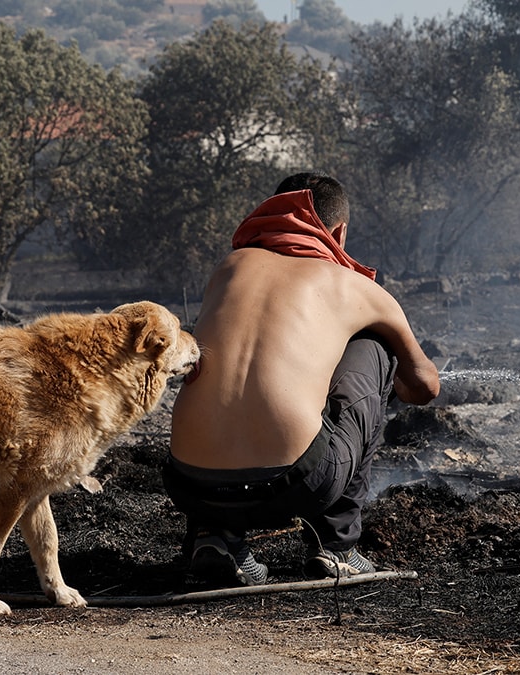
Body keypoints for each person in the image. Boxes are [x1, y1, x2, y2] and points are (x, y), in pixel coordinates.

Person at [163, 172, 440, 586]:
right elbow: (424, 386)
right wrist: (389, 385)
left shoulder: (228, 269)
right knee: (375, 348)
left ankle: (214, 536)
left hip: (189, 484)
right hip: (294, 485)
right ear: (339, 231)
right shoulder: (353, 286)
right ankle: (338, 545)